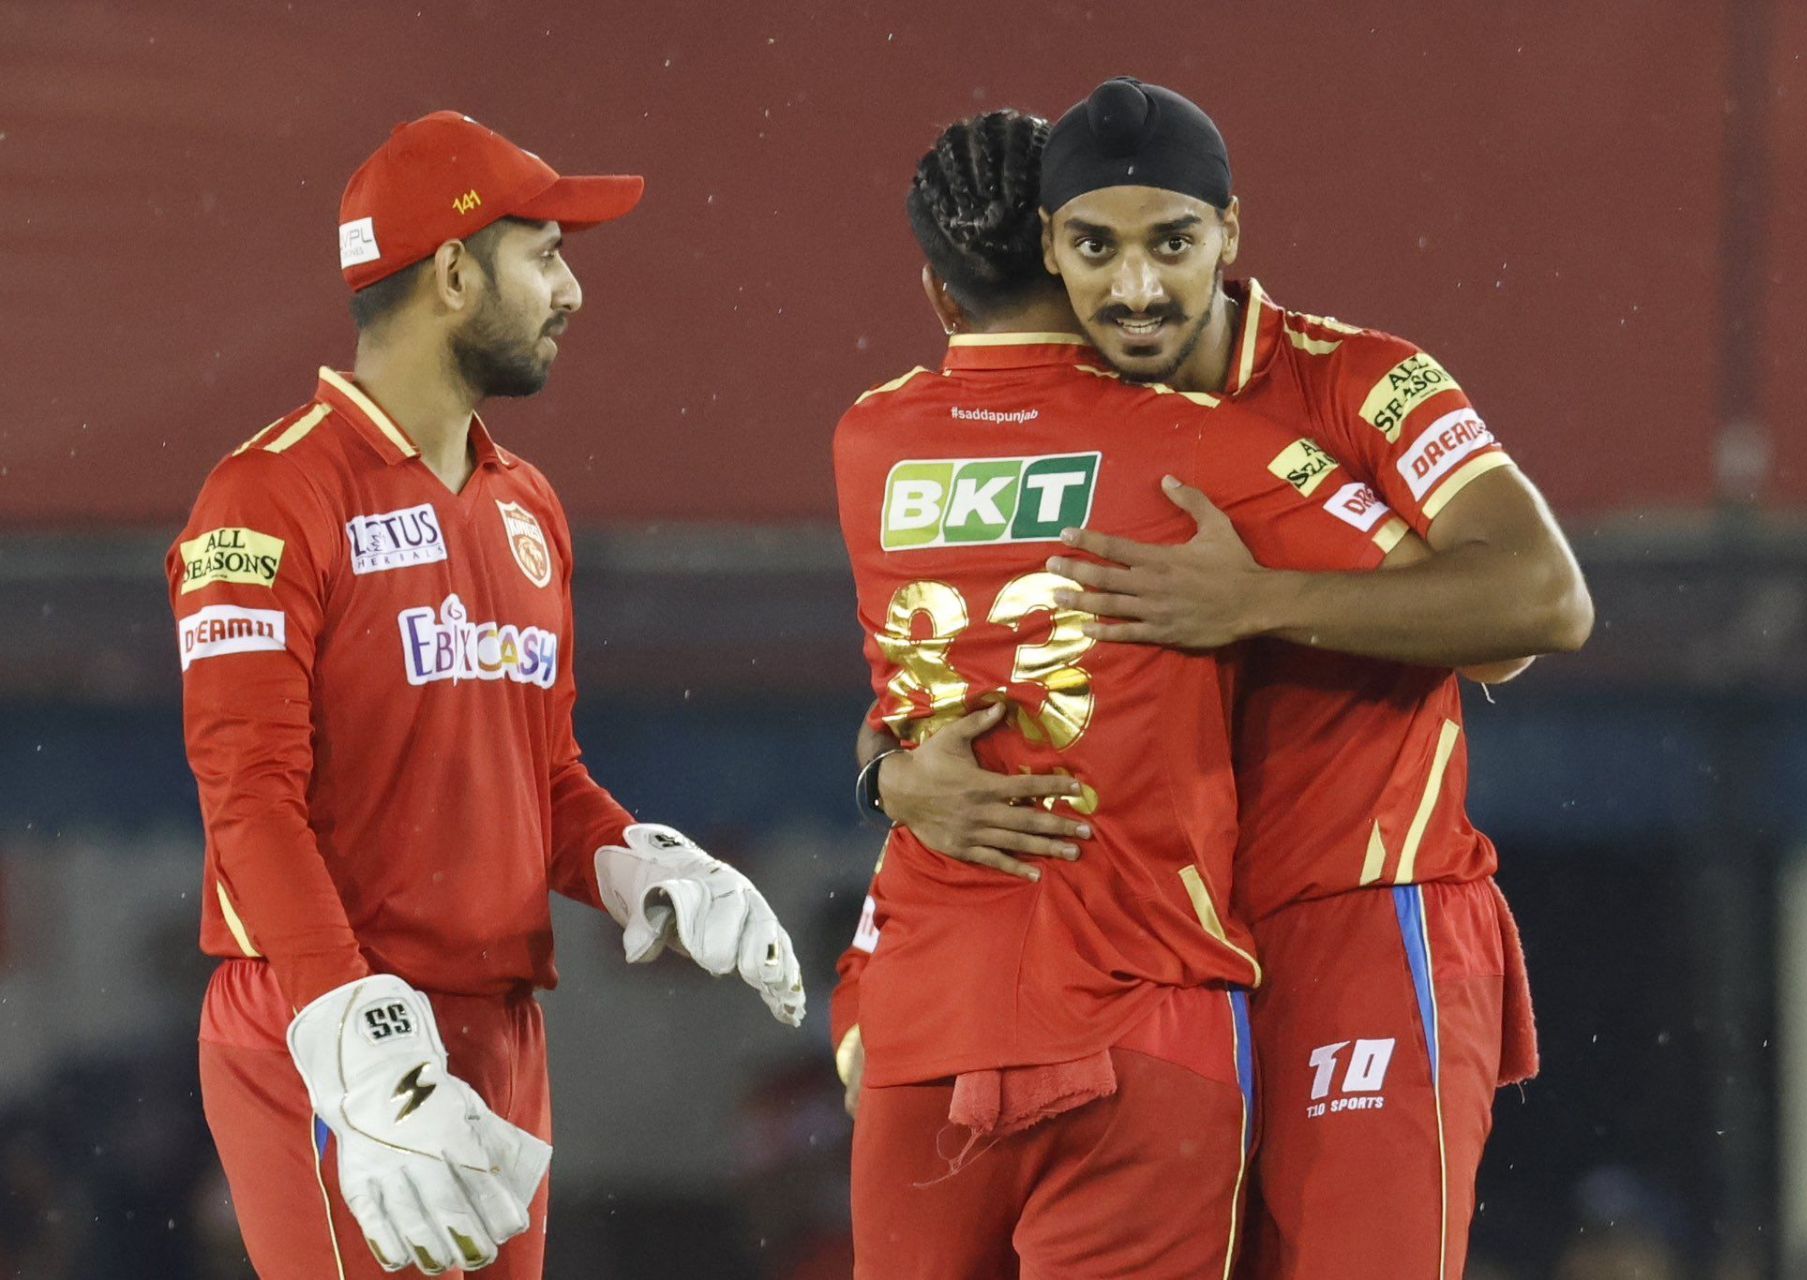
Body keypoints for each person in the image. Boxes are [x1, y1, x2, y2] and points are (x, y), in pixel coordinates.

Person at [856, 78, 1592, 1280]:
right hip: (1160, 963)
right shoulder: (1045, 429)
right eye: (1098, 247)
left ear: (1230, 234)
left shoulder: (1362, 380)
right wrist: (893, 780)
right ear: (1053, 247)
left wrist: (1259, 600)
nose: (1137, 287)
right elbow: (940, 668)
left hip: (1360, 915)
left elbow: (1537, 605)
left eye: (1173, 243)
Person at [170, 111, 803, 1280]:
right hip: (337, 1026)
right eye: (547, 255)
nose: (571, 291)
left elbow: (541, 771)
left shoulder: (529, 506)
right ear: (457, 272)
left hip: (499, 1030)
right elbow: (246, 801)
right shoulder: (265, 496)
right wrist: (356, 1037)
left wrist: (640, 861)